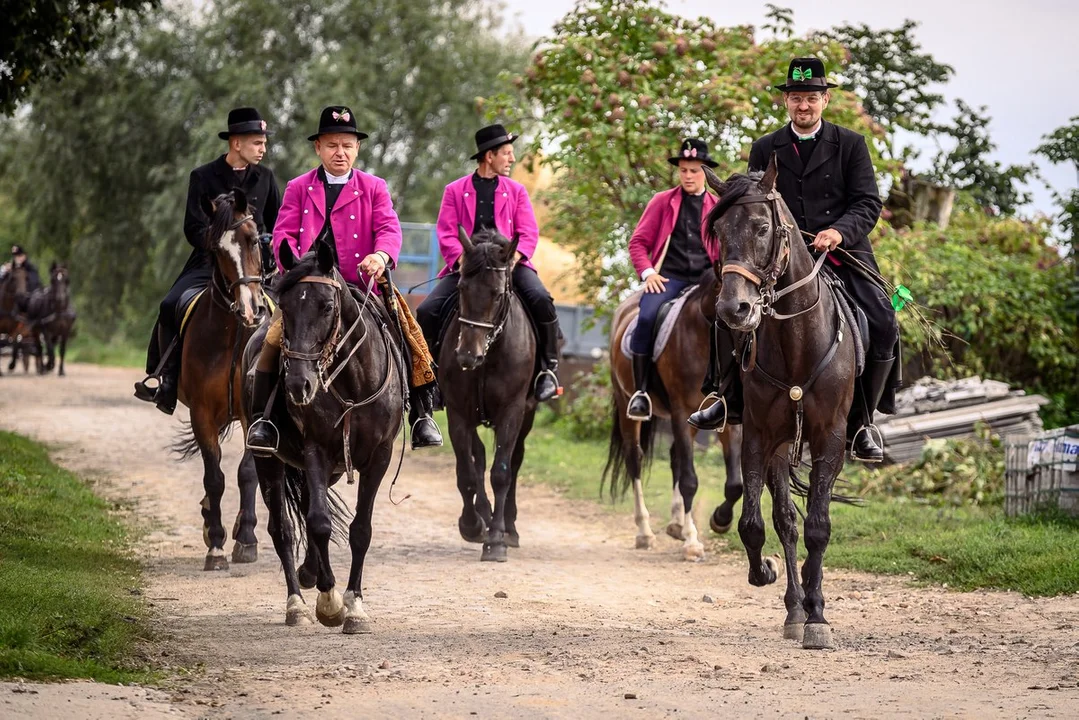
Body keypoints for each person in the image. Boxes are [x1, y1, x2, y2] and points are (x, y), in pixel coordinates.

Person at [700, 57, 898, 461]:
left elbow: (867, 203)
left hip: (841, 252)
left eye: (810, 98)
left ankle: (863, 423)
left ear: (825, 100)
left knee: (883, 318)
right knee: (727, 310)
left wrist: (840, 231)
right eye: (795, 98)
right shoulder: (765, 147)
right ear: (786, 102)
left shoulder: (851, 145)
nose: (802, 106)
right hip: (776, 258)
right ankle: (725, 398)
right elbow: (751, 205)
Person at [245, 105, 442, 453]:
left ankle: (421, 416)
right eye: (333, 145)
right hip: (310, 286)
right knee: (272, 337)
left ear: (357, 149)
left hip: (361, 285)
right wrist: (292, 261)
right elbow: (283, 234)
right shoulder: (298, 187)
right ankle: (264, 420)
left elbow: (388, 228)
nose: (341, 152)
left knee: (408, 331)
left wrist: (380, 256)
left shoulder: (375, 187)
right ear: (318, 148)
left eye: (347, 145)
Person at [134, 107, 281, 414]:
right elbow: (192, 226)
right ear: (236, 143)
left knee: (291, 313)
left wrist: (265, 251)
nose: (263, 148)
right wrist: (218, 246)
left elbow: (276, 225)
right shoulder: (202, 176)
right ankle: (166, 379)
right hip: (208, 263)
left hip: (254, 267)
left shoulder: (266, 178)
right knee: (169, 304)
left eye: (264, 142)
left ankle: (284, 387)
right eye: (257, 142)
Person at [416, 123, 562, 402]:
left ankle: (548, 370)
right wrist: (461, 259)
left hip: (507, 267)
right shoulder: (454, 190)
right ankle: (430, 378)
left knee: (541, 298)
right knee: (427, 310)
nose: (512, 159)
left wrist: (514, 259)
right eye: (507, 153)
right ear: (489, 156)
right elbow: (446, 231)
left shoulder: (517, 191)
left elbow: (528, 231)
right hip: (469, 268)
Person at [625, 138, 731, 422]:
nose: (688, 176)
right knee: (646, 316)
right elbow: (638, 243)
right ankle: (641, 392)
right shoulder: (662, 201)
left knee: (735, 320)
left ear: (706, 172)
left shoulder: (719, 206)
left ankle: (731, 392)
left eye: (694, 170)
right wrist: (648, 273)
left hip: (707, 280)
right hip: (669, 278)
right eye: (684, 170)